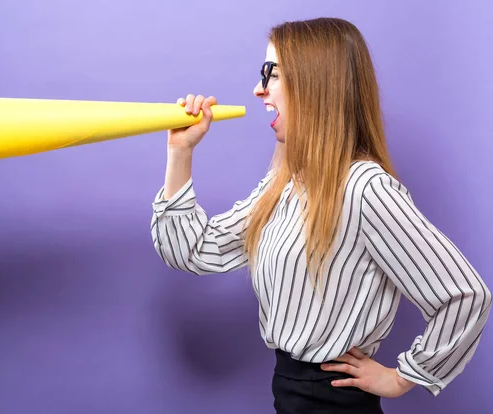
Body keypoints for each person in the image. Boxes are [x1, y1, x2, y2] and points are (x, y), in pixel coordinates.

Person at [149, 17, 491, 414]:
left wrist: (402, 377)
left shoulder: (364, 188)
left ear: (314, 82)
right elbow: (191, 250)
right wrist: (180, 152)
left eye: (272, 74)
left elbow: (466, 295)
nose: (259, 89)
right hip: (288, 394)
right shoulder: (285, 185)